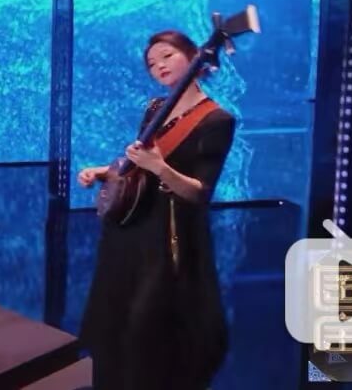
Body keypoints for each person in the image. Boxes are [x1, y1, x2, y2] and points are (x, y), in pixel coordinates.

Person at [77, 30, 236, 390]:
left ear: (192, 56)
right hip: (129, 227)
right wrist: (102, 171)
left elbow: (200, 192)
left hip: (169, 233)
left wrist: (160, 167)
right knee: (114, 318)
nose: (159, 66)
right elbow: (137, 165)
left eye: (167, 55)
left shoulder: (217, 120)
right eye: (151, 63)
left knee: (146, 325)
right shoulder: (154, 108)